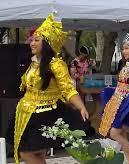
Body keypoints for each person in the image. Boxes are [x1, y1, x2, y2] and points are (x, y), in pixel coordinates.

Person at [8, 13, 89, 164]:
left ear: (47, 43)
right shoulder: (33, 62)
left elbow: (68, 89)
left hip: (44, 113)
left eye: (36, 40)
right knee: (38, 155)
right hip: (26, 112)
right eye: (31, 40)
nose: (32, 43)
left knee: (25, 153)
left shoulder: (55, 64)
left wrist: (81, 106)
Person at [99, 33, 129, 164]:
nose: (123, 51)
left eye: (126, 48)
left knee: (114, 132)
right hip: (117, 101)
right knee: (122, 132)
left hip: (127, 103)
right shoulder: (125, 65)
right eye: (123, 48)